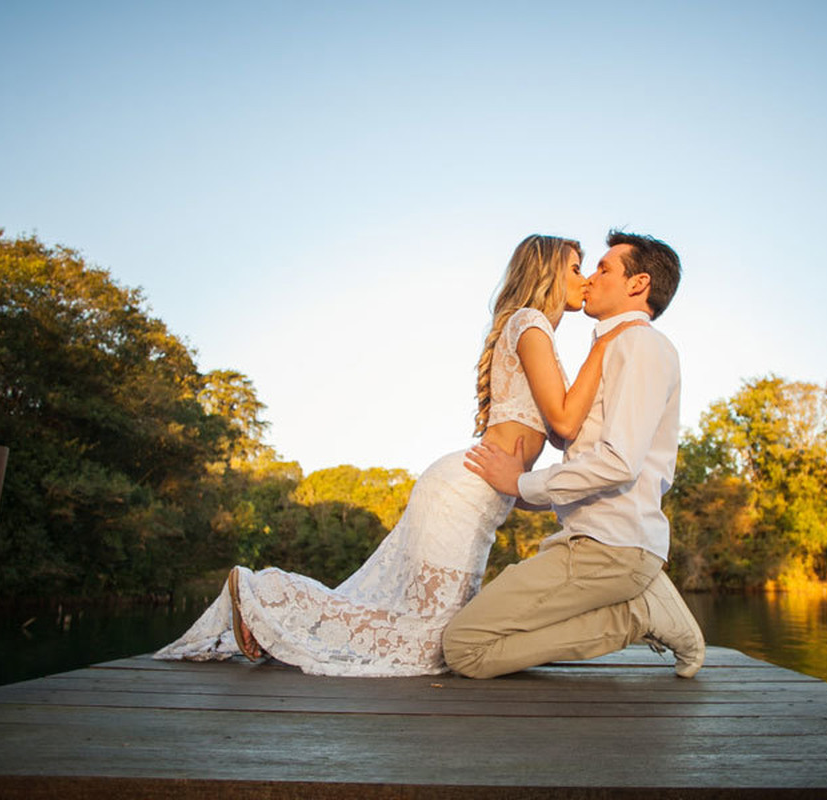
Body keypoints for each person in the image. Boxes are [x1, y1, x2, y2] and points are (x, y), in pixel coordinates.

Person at [153, 234, 643, 676]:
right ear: (546, 274)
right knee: (432, 643)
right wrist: (606, 346)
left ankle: (270, 619)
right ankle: (261, 593)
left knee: (435, 635)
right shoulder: (530, 322)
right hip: (462, 492)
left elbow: (556, 436)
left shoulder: (538, 335)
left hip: (480, 498)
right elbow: (563, 420)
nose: (585, 279)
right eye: (576, 268)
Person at [443, 231, 705, 679]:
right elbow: (578, 444)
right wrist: (523, 492)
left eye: (603, 269)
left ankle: (636, 614)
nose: (590, 279)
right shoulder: (614, 347)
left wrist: (520, 483)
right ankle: (640, 602)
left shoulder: (641, 345)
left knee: (465, 648)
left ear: (638, 284)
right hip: (595, 541)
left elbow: (618, 463)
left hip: (610, 546)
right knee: (475, 640)